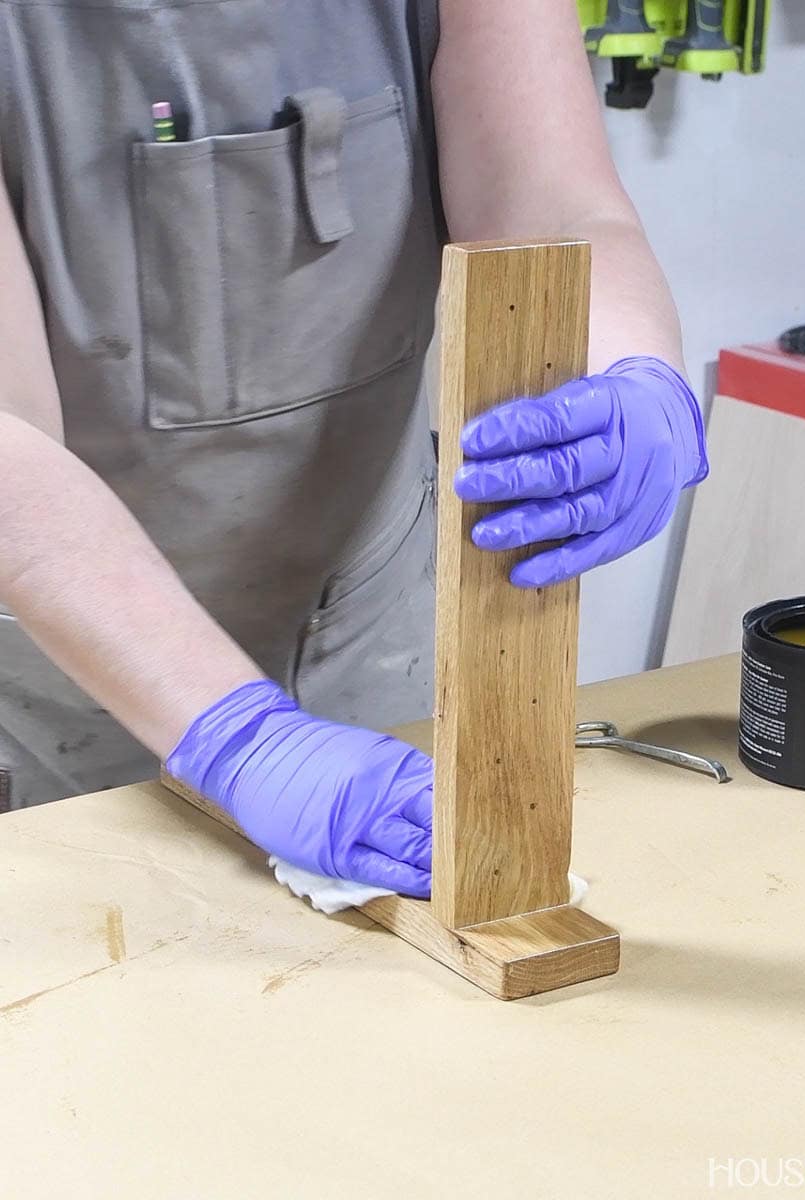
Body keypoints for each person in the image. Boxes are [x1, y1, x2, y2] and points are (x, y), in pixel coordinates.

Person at [0, 2, 708, 896]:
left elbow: (561, 210)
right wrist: (241, 737)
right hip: (66, 665)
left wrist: (640, 373)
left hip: (376, 624)